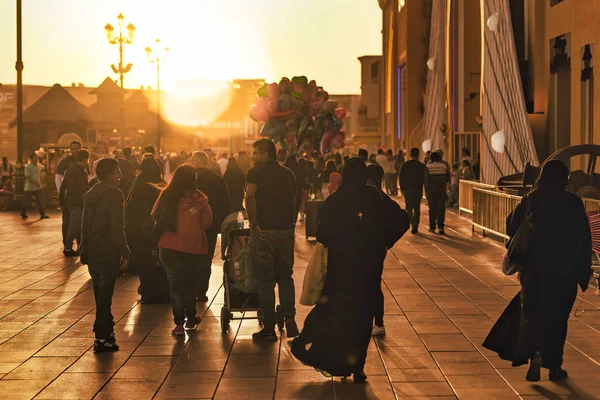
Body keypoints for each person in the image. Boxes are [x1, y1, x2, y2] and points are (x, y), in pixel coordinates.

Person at [291, 158, 406, 383]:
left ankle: (318, 352)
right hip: (368, 268)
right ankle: (358, 366)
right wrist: (383, 243)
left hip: (340, 269)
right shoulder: (376, 197)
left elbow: (321, 233)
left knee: (334, 312)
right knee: (362, 319)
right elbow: (402, 220)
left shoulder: (335, 200)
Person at [485, 160, 592, 382]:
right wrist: (583, 272)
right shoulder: (573, 203)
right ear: (565, 179)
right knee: (557, 320)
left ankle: (534, 355)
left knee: (533, 316)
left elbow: (511, 227)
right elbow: (583, 239)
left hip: (535, 272)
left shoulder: (531, 200)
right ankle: (554, 366)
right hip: (565, 273)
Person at [246, 138, 298, 340]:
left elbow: (250, 196)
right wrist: (291, 223)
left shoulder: (255, 173)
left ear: (266, 154)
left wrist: (254, 224)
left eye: (256, 152)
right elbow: (294, 200)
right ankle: (289, 317)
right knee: (285, 276)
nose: (253, 156)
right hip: (285, 230)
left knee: (265, 281)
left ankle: (268, 328)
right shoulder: (288, 173)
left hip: (265, 232)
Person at [152, 165, 213, 336]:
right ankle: (191, 317)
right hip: (192, 246)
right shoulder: (200, 199)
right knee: (190, 283)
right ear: (193, 179)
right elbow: (206, 223)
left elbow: (153, 213)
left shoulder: (167, 194)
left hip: (168, 246)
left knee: (175, 285)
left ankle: (178, 323)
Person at [80, 158, 130, 352]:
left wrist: (84, 250)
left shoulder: (91, 193)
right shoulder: (115, 194)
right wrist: (125, 250)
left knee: (100, 293)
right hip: (108, 249)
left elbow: (84, 225)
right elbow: (117, 227)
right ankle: (101, 337)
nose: (120, 175)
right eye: (117, 172)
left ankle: (106, 332)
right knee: (105, 295)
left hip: (92, 249)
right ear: (108, 174)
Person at [190, 151, 230, 302]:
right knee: (206, 258)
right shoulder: (217, 179)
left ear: (195, 162)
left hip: (190, 223)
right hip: (211, 224)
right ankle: (201, 292)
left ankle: (191, 290)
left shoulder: (189, 179)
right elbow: (225, 203)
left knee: (190, 256)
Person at [125, 158, 167, 302]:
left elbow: (130, 206)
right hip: (158, 228)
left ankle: (147, 291)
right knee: (158, 260)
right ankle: (161, 291)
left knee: (143, 260)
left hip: (138, 228)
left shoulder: (137, 183)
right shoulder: (162, 184)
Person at [59, 150, 90, 256]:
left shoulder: (70, 170)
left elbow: (63, 186)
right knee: (74, 225)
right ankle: (67, 249)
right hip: (77, 202)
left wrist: (61, 201)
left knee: (74, 225)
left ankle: (80, 247)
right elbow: (85, 190)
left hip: (68, 200)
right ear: (86, 159)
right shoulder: (82, 172)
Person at [400, 148, 426, 234]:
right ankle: (416, 224)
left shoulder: (405, 165)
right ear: (418, 155)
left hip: (407, 189)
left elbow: (401, 177)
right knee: (417, 207)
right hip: (417, 189)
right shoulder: (421, 166)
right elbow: (424, 178)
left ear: (410, 155)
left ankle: (412, 221)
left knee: (409, 207)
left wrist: (402, 188)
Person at [425, 152, 449, 235]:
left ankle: (432, 227)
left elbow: (426, 181)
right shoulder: (444, 166)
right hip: (441, 190)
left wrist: (427, 191)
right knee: (441, 209)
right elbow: (447, 178)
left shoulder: (428, 167)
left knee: (432, 209)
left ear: (431, 159)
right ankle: (441, 227)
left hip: (432, 191)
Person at [21, 152, 48, 220]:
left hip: (38, 187)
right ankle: (23, 213)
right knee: (27, 202)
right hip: (29, 188)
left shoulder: (38, 166)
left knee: (40, 201)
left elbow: (39, 176)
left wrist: (40, 183)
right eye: (35, 157)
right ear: (31, 158)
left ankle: (43, 214)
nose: (36, 159)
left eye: (37, 157)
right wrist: (35, 183)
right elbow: (28, 177)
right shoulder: (28, 167)